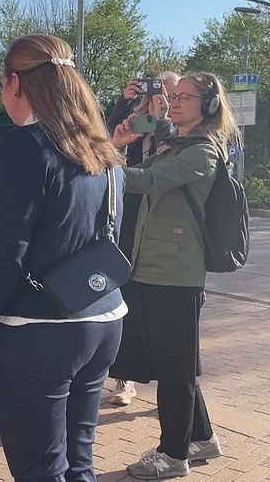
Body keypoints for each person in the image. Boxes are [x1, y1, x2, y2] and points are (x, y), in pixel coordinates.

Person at [0, 34, 126, 482]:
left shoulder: (23, 147)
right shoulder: (103, 151)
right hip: (104, 318)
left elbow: (3, 253)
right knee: (78, 466)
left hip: (38, 331)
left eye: (1, 83)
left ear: (16, 82)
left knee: (41, 471)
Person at [111, 72, 240, 480]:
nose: (174, 101)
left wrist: (97, 164)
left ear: (209, 106)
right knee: (174, 363)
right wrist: (122, 125)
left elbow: (146, 180)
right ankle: (201, 439)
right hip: (152, 267)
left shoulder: (202, 151)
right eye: (174, 94)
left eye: (186, 97)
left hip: (177, 274)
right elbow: (137, 140)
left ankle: (173, 456)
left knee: (175, 372)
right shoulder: (175, 141)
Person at [105, 72, 180, 407]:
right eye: (156, 91)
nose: (161, 98)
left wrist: (163, 118)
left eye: (170, 93)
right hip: (130, 216)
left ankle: (176, 389)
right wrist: (126, 102)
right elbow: (105, 141)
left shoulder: (181, 127)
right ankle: (124, 379)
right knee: (127, 297)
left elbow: (168, 156)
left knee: (166, 310)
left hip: (165, 223)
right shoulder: (135, 118)